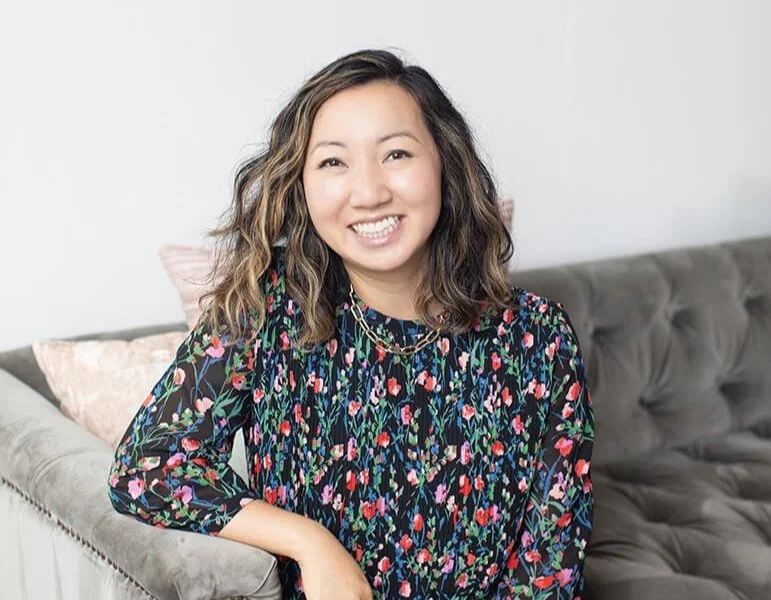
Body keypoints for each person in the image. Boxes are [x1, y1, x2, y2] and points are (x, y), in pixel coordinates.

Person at [107, 47, 594, 600]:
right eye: (334, 163)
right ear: (301, 184)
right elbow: (148, 468)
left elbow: (551, 569)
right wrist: (310, 542)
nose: (369, 193)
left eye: (396, 154)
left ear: (445, 162)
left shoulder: (539, 336)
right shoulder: (268, 306)